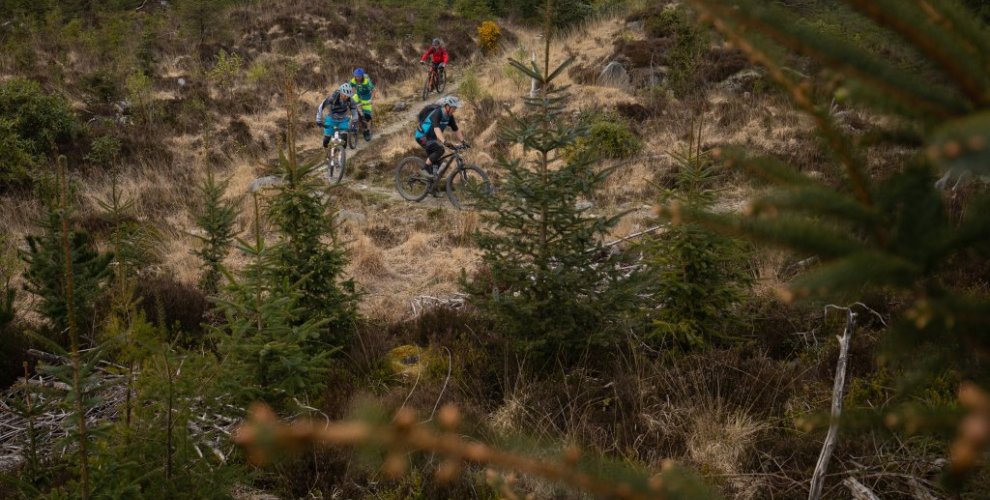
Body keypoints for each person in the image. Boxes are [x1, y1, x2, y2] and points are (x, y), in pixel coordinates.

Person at [414, 95, 467, 178]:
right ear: (447, 106)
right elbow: (436, 129)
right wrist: (444, 141)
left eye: (455, 108)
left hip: (432, 139)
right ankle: (424, 169)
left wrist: (463, 141)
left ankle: (432, 183)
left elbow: (455, 129)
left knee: (440, 162)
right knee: (439, 149)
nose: (455, 110)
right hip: (422, 136)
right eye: (454, 108)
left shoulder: (449, 117)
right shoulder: (437, 113)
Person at [315, 83, 357, 148]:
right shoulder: (332, 98)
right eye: (344, 95)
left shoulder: (350, 100)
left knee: (344, 140)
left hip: (343, 120)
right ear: (341, 92)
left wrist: (354, 122)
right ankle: (327, 154)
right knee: (326, 140)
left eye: (348, 96)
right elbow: (321, 106)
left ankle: (341, 155)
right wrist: (318, 119)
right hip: (331, 118)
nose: (346, 97)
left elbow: (354, 111)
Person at [349, 68, 375, 141]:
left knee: (367, 117)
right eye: (356, 76)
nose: (357, 78)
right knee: (351, 102)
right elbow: (348, 87)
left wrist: (371, 99)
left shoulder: (367, 81)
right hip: (358, 96)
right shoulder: (353, 80)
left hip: (366, 98)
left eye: (359, 76)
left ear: (362, 76)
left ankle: (367, 131)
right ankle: (354, 120)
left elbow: (373, 90)